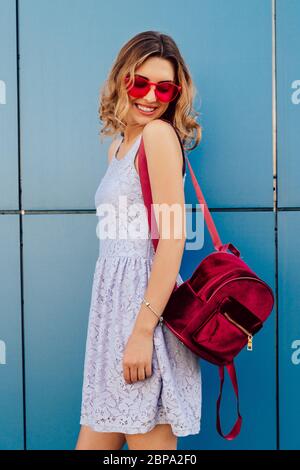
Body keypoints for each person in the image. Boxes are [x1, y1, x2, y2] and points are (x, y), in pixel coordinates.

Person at [75, 30, 202, 451]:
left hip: (144, 315)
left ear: (176, 92)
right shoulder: (117, 148)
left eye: (164, 87)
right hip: (114, 315)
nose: (151, 96)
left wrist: (142, 332)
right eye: (140, 83)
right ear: (122, 79)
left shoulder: (159, 137)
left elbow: (172, 240)